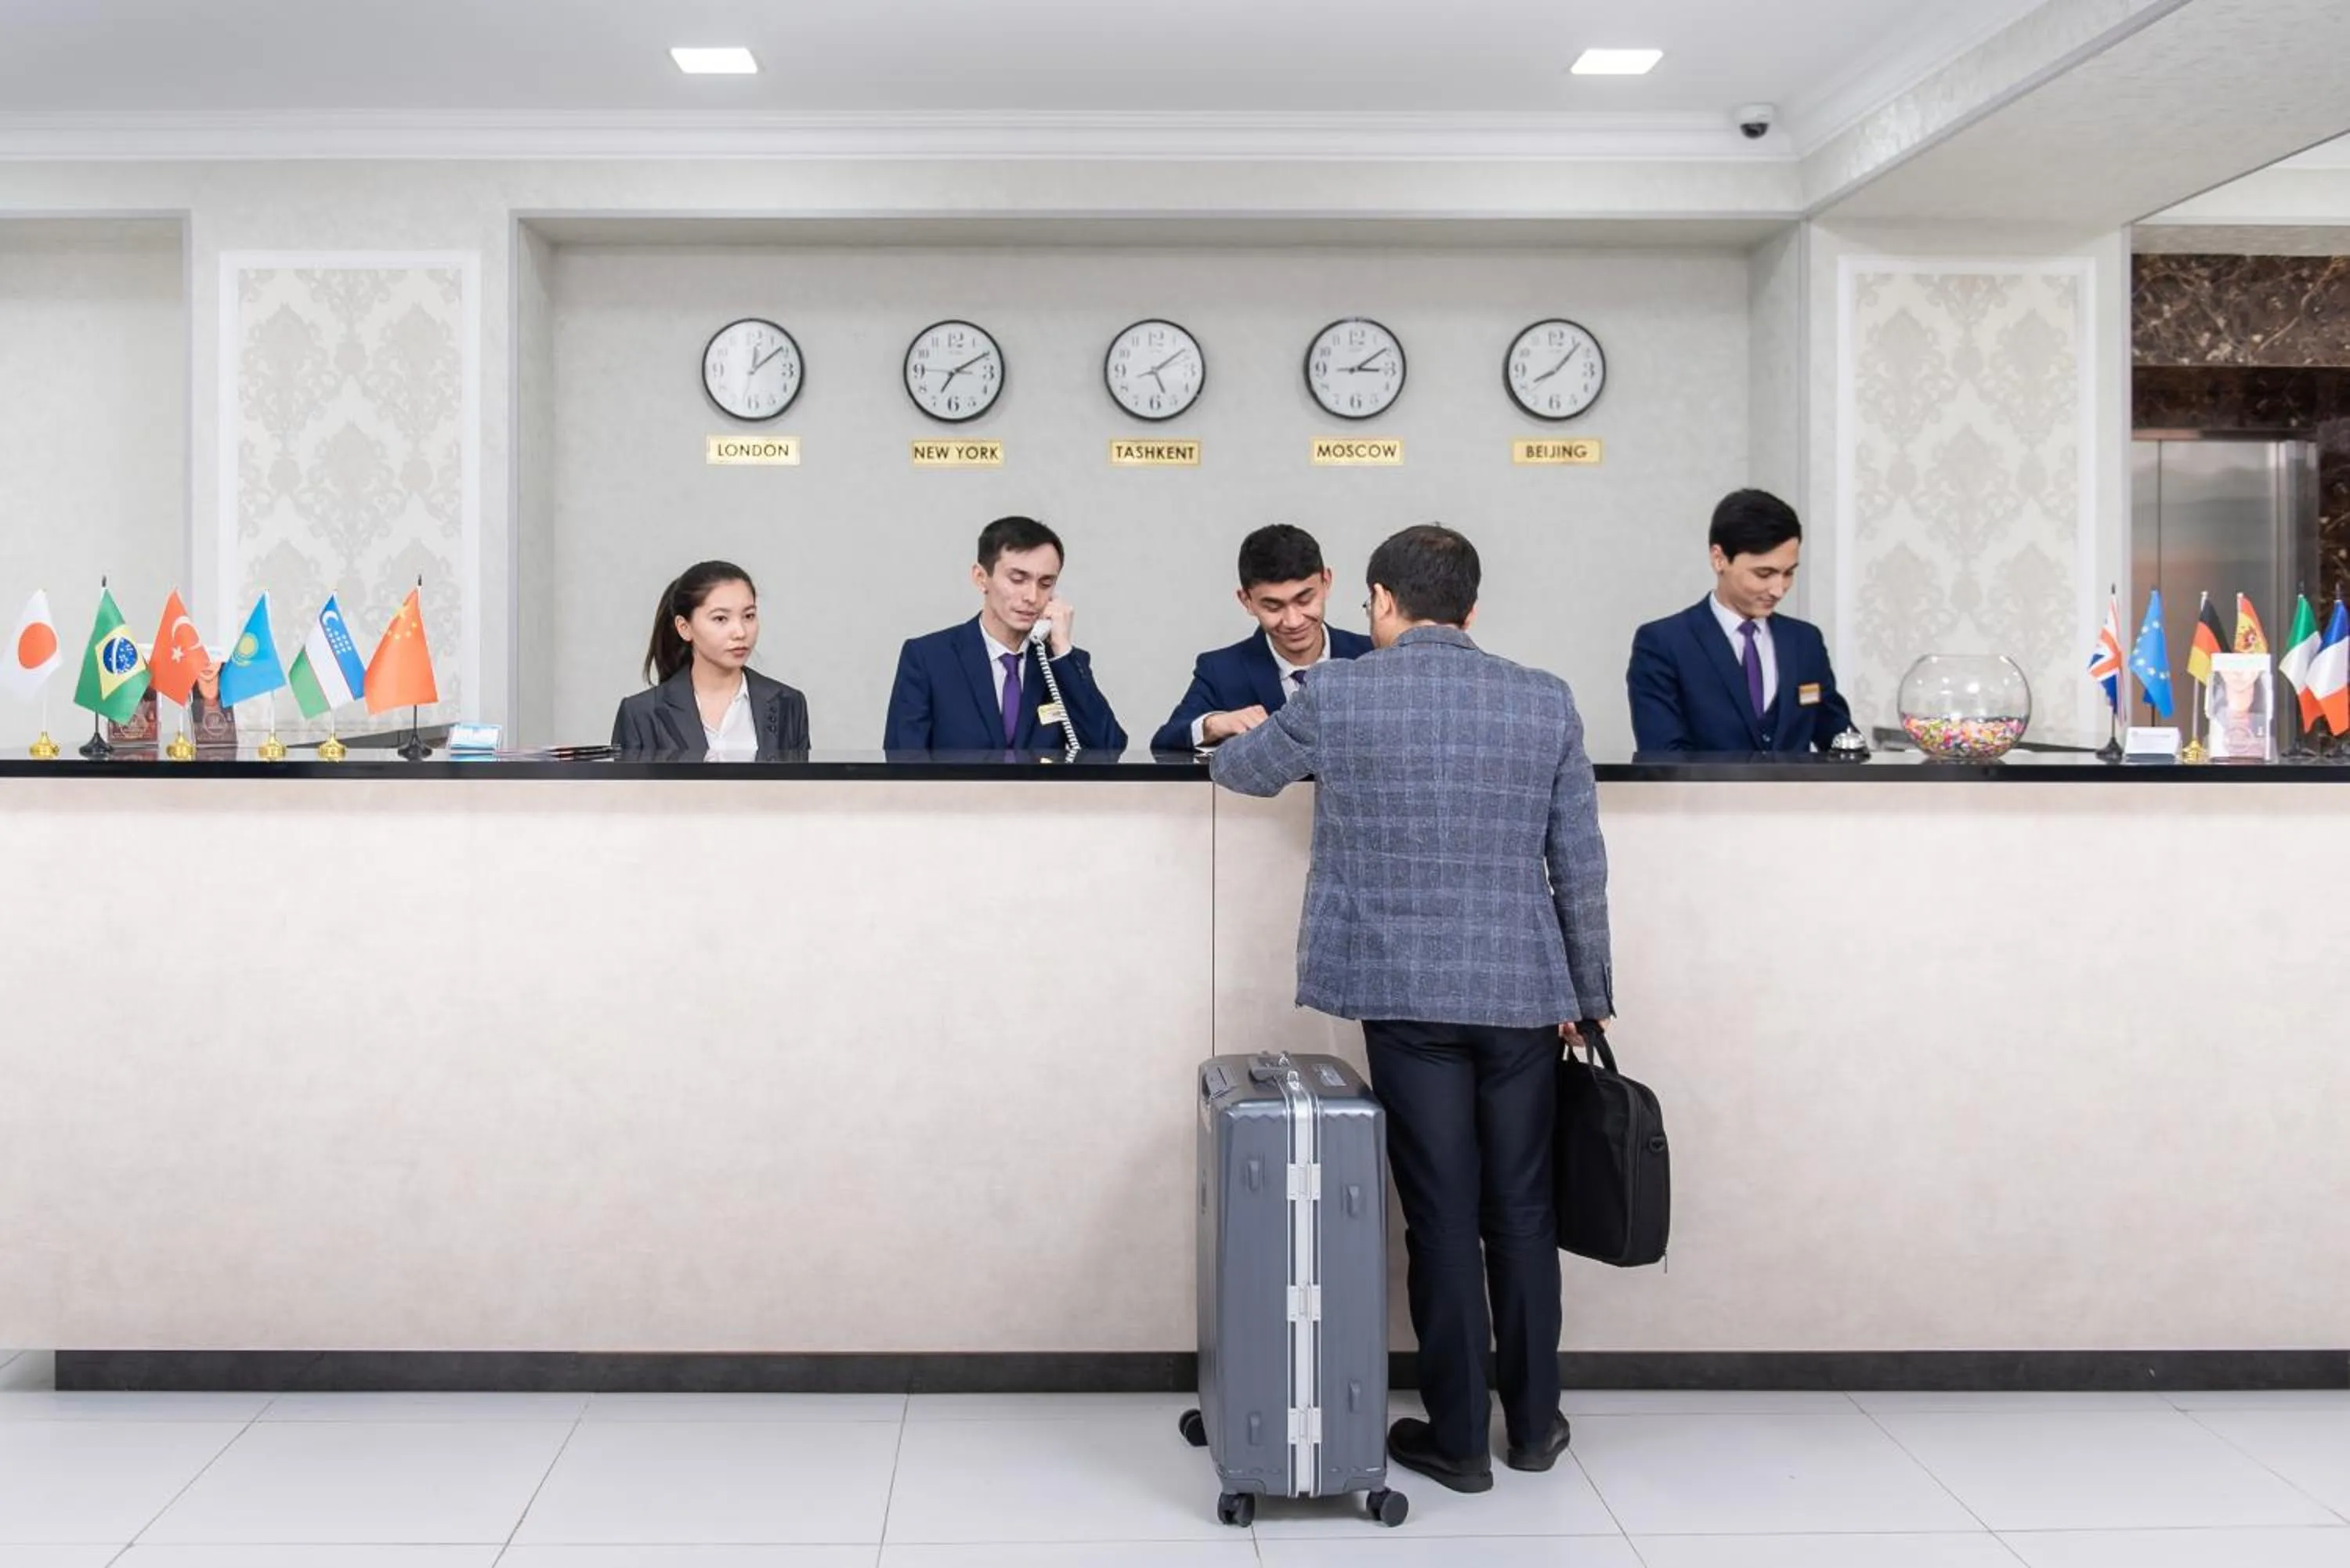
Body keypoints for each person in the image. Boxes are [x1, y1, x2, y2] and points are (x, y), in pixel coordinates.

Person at [1209, 523, 1612, 1495]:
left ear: (1382, 604)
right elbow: (1581, 862)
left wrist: (1223, 730)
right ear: (1470, 609)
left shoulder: (1338, 692)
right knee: (1521, 1210)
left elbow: (1244, 773)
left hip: (1403, 990)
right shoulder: (1543, 697)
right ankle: (1537, 1424)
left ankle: (1461, 1439)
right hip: (1523, 990)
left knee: (1438, 1215)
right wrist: (1587, 996)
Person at [1627, 488, 1855, 754]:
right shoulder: (1664, 644)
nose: (1778, 589)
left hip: (1797, 797)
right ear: (1719, 559)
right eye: (1764, 573)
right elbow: (1664, 758)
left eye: (1788, 574)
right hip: (1703, 797)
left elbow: (1839, 737)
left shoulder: (1805, 641)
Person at [883, 515, 1126, 752]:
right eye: (1018, 579)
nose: (1032, 597)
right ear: (981, 578)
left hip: (1040, 795)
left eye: (1045, 584)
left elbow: (1109, 749)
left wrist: (1062, 649)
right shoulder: (928, 658)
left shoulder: (1063, 664)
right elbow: (903, 764)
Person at [1149, 523, 1372, 752]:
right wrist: (1214, 725)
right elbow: (1166, 741)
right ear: (1246, 601)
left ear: (1326, 582)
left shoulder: (1373, 656)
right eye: (1273, 607)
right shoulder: (1220, 670)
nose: (1293, 621)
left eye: (1304, 600)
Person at [611, 561, 810, 757]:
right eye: (720, 619)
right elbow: (627, 789)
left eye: (749, 616)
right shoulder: (641, 713)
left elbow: (801, 788)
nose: (740, 632)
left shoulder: (788, 703)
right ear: (684, 628)